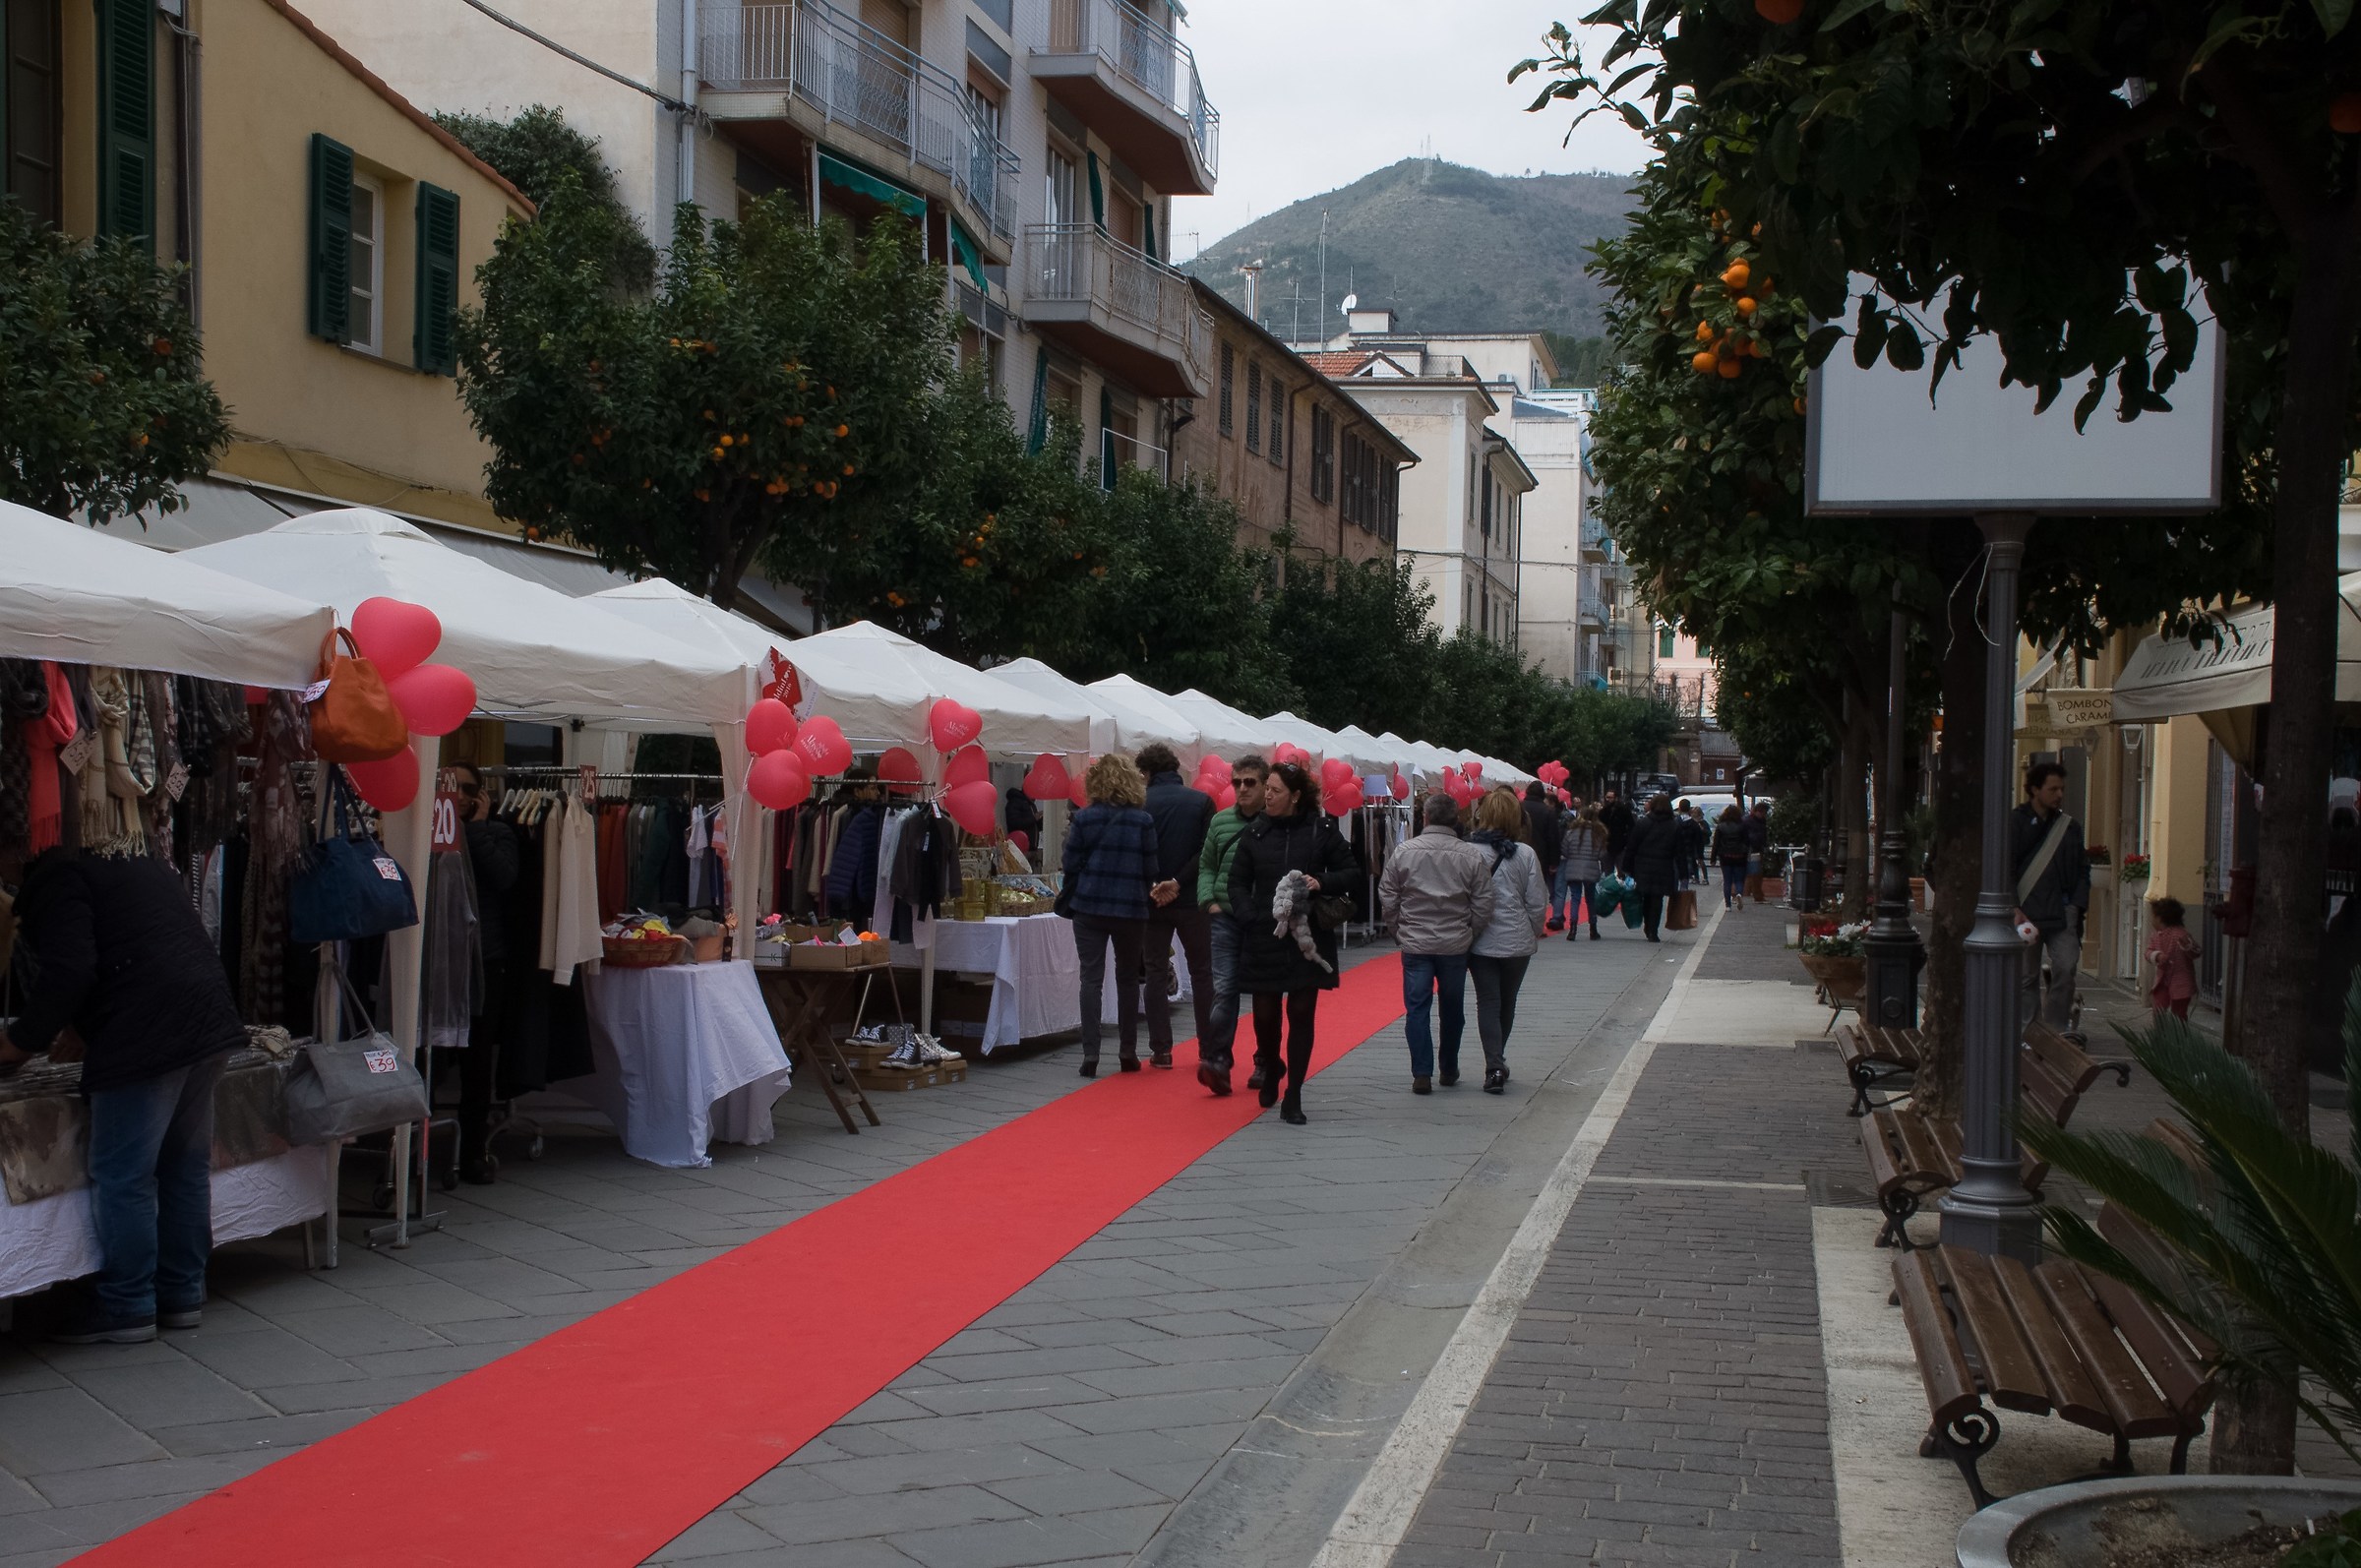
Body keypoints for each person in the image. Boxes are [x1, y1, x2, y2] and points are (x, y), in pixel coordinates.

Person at [1, 849, 247, 1342]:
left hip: (147, 1030)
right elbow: (133, 941)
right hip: (206, 1015)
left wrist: (22, 1042)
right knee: (183, 1164)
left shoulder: (59, 873)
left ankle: (128, 1302)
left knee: (124, 1173)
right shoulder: (134, 855)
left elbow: (71, 968)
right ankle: (180, 1292)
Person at [1228, 761, 1362, 1124]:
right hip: (1265, 935)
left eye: (1274, 791)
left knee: (1301, 1013)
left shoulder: (1321, 831)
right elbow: (1237, 882)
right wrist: (1248, 914)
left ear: (1296, 796)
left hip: (1308, 938)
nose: (1266, 796)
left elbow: (1352, 872)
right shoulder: (1255, 833)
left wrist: (1321, 881)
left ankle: (1295, 1094)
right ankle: (1271, 1065)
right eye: (1266, 789)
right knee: (1265, 1016)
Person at [1377, 792, 1495, 1094]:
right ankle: (1449, 1066)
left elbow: (1388, 894)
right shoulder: (1471, 855)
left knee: (1417, 1007)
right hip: (1454, 942)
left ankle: (1421, 1071)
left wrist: (1397, 929)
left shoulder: (1405, 851)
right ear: (1456, 820)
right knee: (1453, 1007)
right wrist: (1471, 932)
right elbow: (1483, 901)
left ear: (1425, 818)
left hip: (1416, 941)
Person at [1061, 754, 1165, 1077]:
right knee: (1128, 978)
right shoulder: (1143, 821)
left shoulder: (1084, 817)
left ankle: (1090, 1053)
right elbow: (1152, 869)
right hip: (1131, 909)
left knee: (1090, 979)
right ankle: (1127, 1051)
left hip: (1089, 907)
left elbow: (1070, 863)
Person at [451, 764, 518, 1184]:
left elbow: (505, 877)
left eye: (466, 789)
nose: (456, 794)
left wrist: (476, 828)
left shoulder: (498, 834)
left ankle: (474, 1150)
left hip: (485, 959)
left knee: (477, 1061)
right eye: (449, 786)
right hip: (440, 957)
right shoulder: (427, 829)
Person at [1194, 755, 1269, 1096]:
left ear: (1266, 785)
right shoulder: (1221, 821)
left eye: (1250, 782)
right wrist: (1208, 900)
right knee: (1224, 988)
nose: (1241, 788)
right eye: (1237, 782)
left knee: (1266, 993)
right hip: (1225, 915)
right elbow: (1207, 864)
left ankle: (1265, 1061)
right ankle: (1218, 1061)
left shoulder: (1278, 822)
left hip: (1264, 920)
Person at [1136, 744, 1214, 1072]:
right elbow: (1207, 852)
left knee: (1155, 971)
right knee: (1202, 972)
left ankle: (1161, 1049)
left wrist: (1156, 883)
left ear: (1148, 772)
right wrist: (1179, 881)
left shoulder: (1139, 803)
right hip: (1192, 897)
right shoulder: (1201, 801)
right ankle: (1209, 1048)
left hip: (1153, 899)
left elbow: (1137, 852)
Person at [1470, 790, 1549, 1095]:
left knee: (1487, 1002)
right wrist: (1532, 930)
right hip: (1517, 939)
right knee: (1508, 1001)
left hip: (1480, 941)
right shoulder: (1525, 854)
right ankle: (1497, 1058)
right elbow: (1536, 900)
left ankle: (1494, 1064)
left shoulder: (1469, 852)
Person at [2012, 759, 2089, 1034]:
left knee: (2066, 969)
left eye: (2062, 789)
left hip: (2063, 910)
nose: (2059, 794)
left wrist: (2078, 904)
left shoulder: (2070, 827)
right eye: (2052, 788)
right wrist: (2013, 907)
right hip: (2026, 912)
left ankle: (2055, 1030)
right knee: (2025, 976)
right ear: (2034, 789)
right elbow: (2005, 867)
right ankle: (2028, 1030)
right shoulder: (2015, 823)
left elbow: (2082, 868)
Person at [1619, 794, 1684, 942]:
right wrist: (1683, 872)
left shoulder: (1644, 823)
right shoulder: (1674, 825)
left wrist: (1626, 867)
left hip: (1643, 867)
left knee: (1645, 896)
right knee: (1657, 899)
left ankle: (1647, 924)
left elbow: (1632, 846)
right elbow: (1679, 851)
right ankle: (1652, 930)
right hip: (1664, 867)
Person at [1559, 806, 1611, 940]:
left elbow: (1564, 850)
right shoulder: (1598, 833)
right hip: (1591, 868)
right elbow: (1602, 854)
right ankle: (1593, 929)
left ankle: (1573, 929)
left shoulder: (1571, 832)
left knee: (1575, 898)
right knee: (1590, 899)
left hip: (1573, 868)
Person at [2146, 895, 2200, 1021]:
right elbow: (2148, 952)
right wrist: (2157, 956)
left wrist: (2188, 946)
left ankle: (2178, 1036)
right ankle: (2161, 1034)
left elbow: (2196, 952)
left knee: (2179, 1013)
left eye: (2153, 917)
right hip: (2162, 981)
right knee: (2159, 1009)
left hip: (2181, 981)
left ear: (2160, 918)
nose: (2152, 920)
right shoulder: (2156, 936)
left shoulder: (2181, 934)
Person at [1523, 783, 1565, 931]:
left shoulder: (1519, 808)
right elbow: (1553, 838)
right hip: (1541, 856)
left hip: (1519, 853)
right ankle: (1538, 924)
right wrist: (1554, 862)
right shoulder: (1547, 812)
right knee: (1539, 891)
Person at [1711, 804, 1751, 912]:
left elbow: (1716, 843)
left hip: (1725, 856)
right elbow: (1747, 841)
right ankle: (1738, 893)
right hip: (1740, 856)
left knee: (1727, 880)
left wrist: (1713, 858)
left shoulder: (1721, 826)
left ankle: (1728, 905)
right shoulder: (1742, 826)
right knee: (1739, 879)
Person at [1003, 785, 1043, 869]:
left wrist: (1040, 821)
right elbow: (1014, 823)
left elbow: (1033, 827)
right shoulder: (1015, 803)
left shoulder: (1031, 805)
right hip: (1021, 848)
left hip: (1032, 847)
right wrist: (1033, 818)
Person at [1742, 800, 1772, 903]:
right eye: (1763, 812)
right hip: (1752, 849)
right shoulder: (1749, 821)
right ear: (1757, 811)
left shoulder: (1756, 821)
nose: (1764, 815)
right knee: (1755, 873)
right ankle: (1757, 896)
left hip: (1756, 848)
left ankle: (1747, 894)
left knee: (1753, 873)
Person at [1600, 789, 1636, 863]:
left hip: (1620, 844)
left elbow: (1631, 826)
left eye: (1610, 797)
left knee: (1620, 868)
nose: (1608, 800)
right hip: (1607, 844)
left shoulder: (1624, 810)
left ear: (1615, 798)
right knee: (1607, 869)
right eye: (1607, 797)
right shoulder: (1603, 811)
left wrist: (1627, 839)